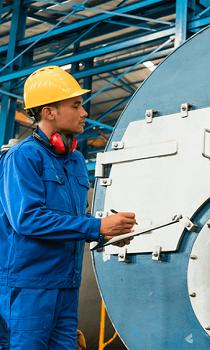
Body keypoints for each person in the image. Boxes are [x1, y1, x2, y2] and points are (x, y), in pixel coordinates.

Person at [0, 66, 136, 350]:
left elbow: (74, 219)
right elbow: (27, 219)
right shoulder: (21, 158)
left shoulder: (74, 161)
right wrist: (95, 227)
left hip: (67, 283)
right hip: (28, 287)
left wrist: (106, 233)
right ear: (49, 112)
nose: (84, 112)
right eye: (76, 105)